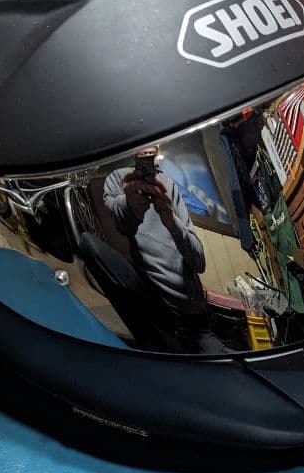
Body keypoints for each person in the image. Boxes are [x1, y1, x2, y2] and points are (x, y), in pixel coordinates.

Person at [80, 148, 223, 353]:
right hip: (155, 309)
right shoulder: (119, 180)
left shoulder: (168, 185)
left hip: (195, 317)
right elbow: (121, 224)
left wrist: (171, 221)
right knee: (89, 242)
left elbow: (200, 262)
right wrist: (131, 207)